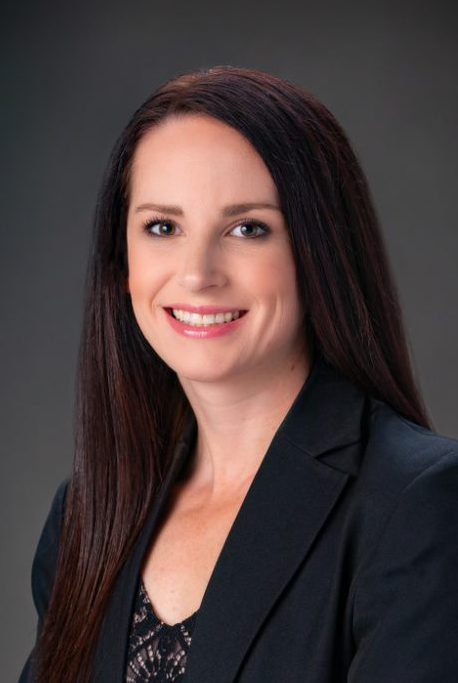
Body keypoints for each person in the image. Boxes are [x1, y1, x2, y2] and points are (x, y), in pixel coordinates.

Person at [19, 66, 458, 683]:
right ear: (123, 264)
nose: (197, 273)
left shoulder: (417, 504)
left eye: (247, 228)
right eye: (162, 228)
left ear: (318, 251)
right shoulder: (87, 516)